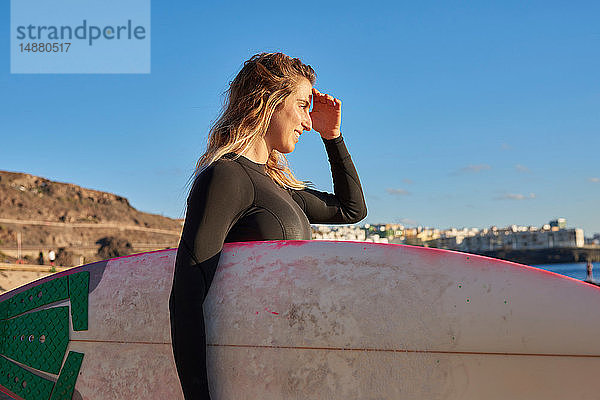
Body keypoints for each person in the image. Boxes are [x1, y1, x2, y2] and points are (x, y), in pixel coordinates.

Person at [169, 52, 367, 399]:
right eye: (303, 105)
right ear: (268, 102)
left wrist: (332, 136)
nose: (308, 122)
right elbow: (186, 297)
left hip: (286, 372)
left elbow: (352, 210)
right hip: (250, 374)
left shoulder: (278, 187)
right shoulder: (226, 177)